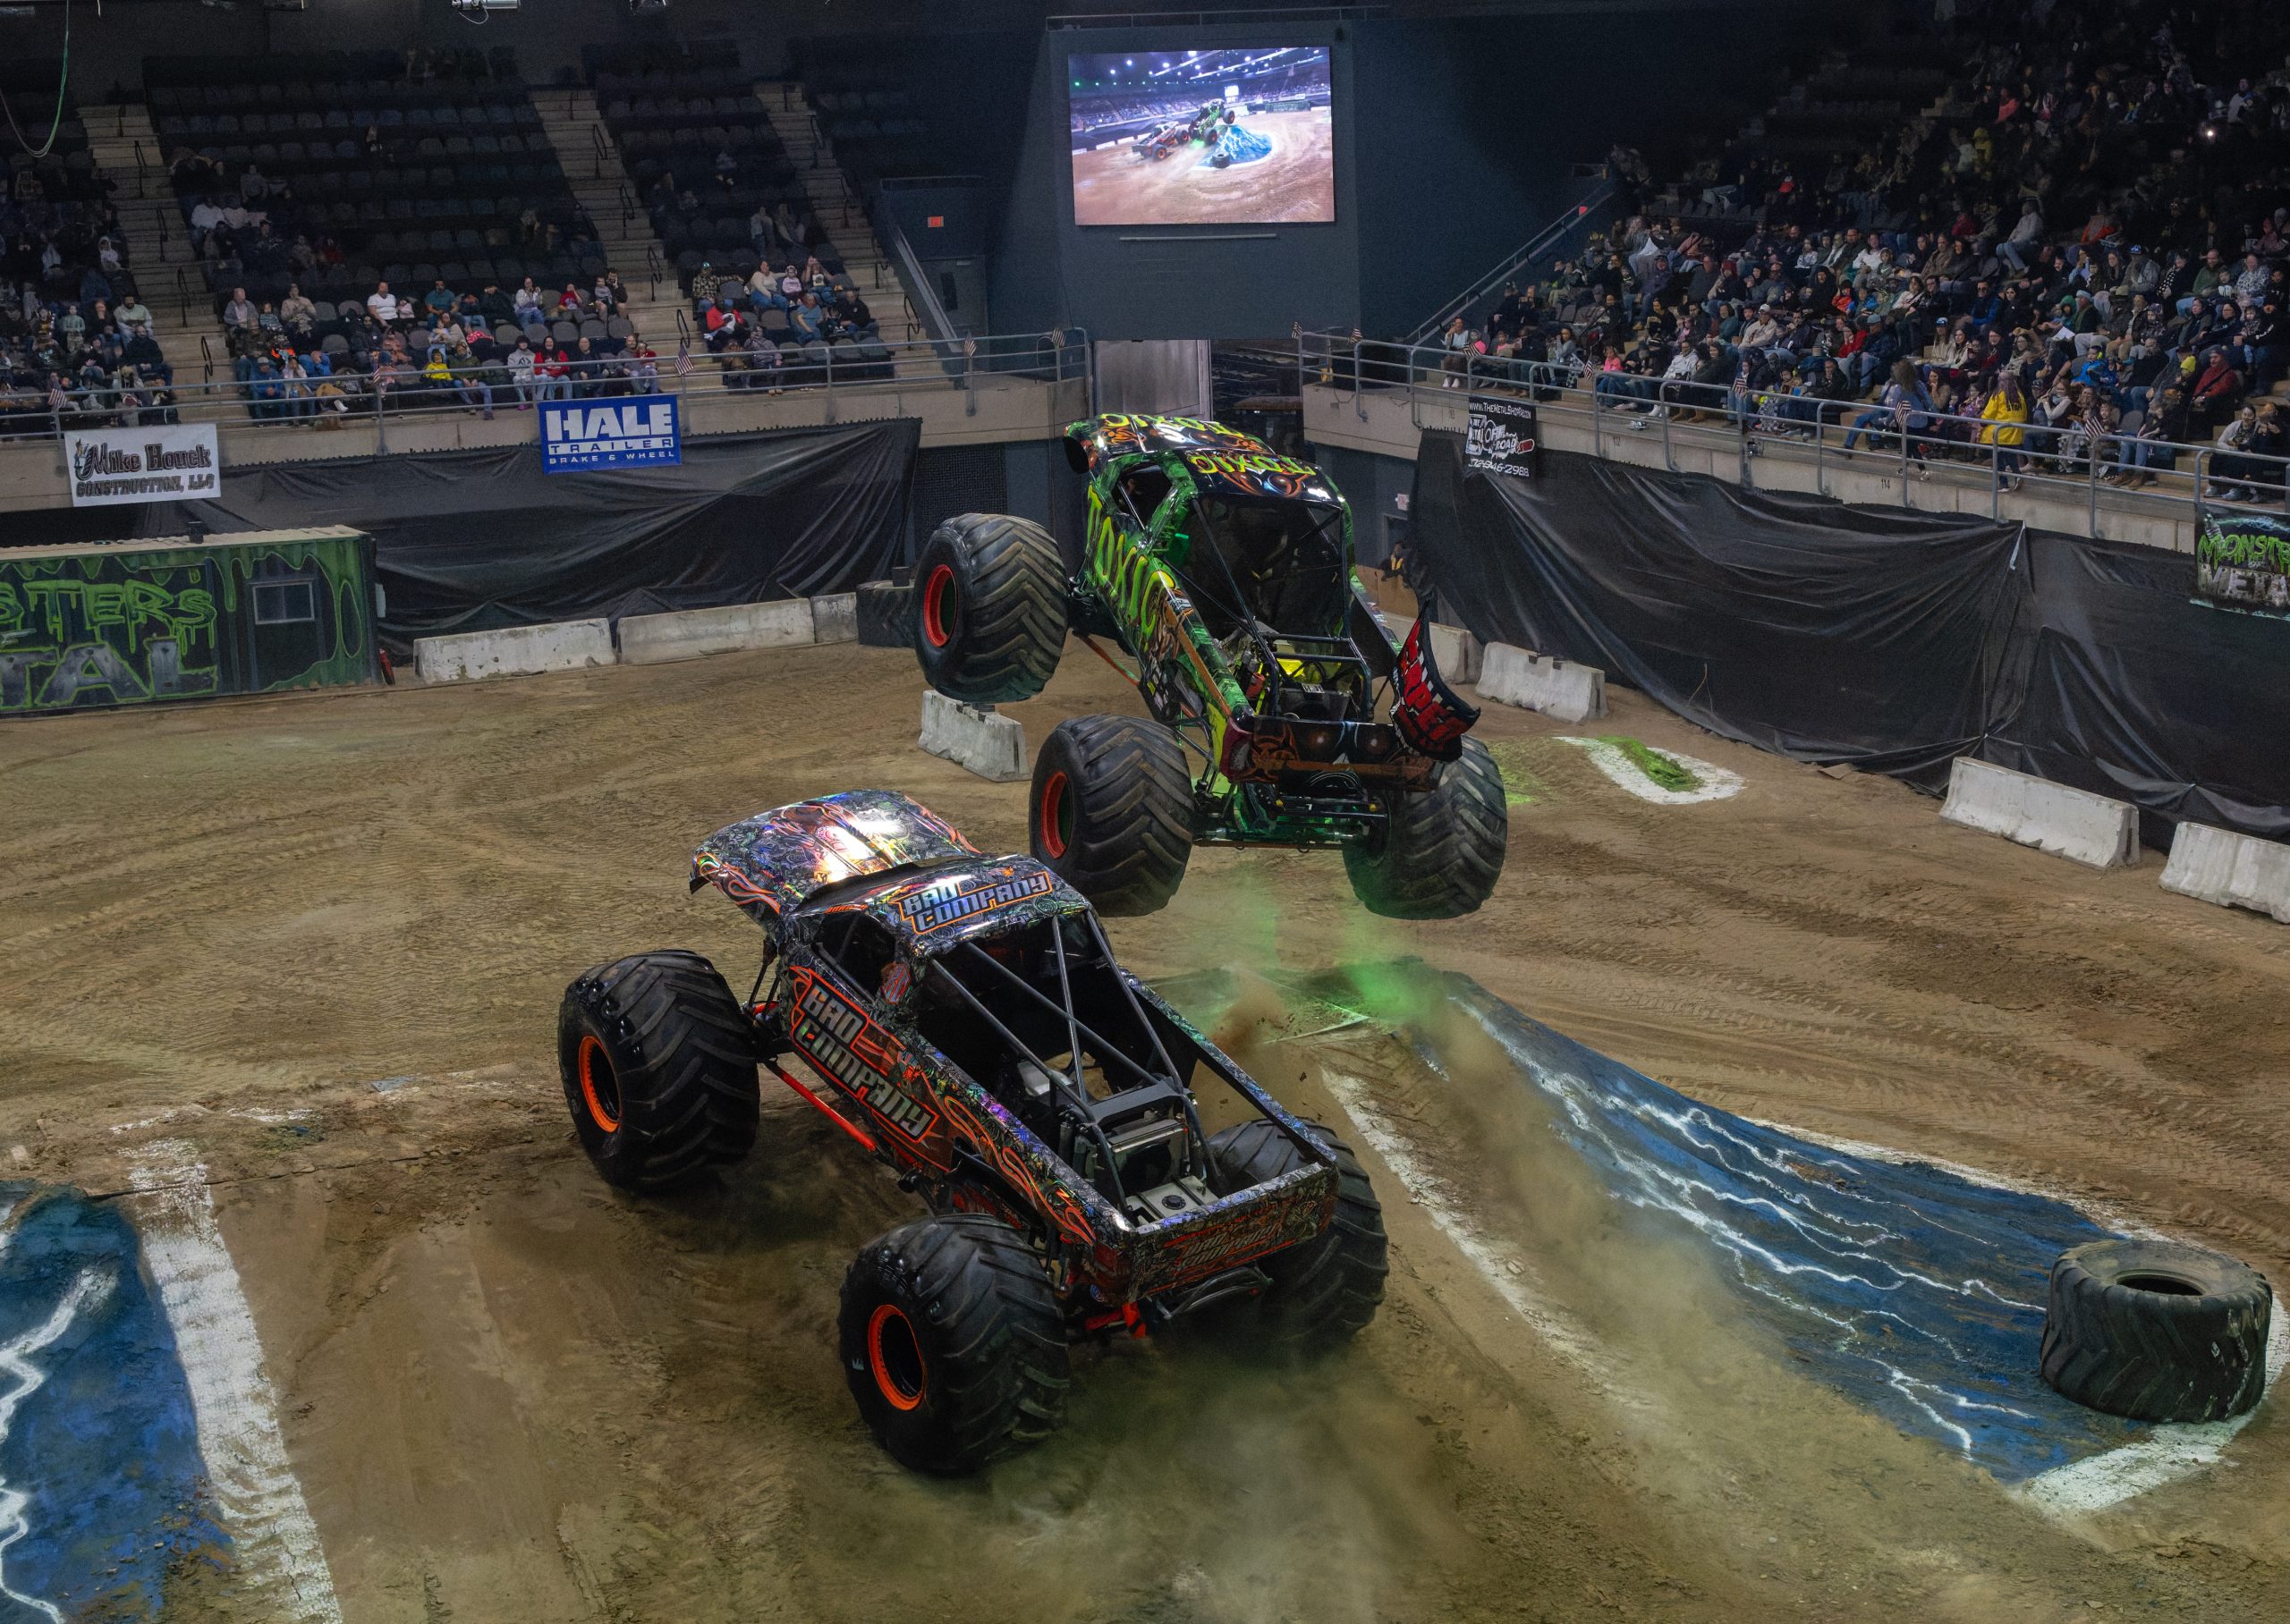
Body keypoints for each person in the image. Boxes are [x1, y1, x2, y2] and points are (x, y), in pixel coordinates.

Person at [1979, 373, 2030, 489]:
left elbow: (1988, 414)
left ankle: (2003, 484)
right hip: (2016, 433)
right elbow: (2025, 414)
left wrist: (1982, 424)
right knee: (2012, 457)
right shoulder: (2019, 396)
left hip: (2000, 433)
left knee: (1999, 461)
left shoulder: (1998, 395)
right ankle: (2017, 476)